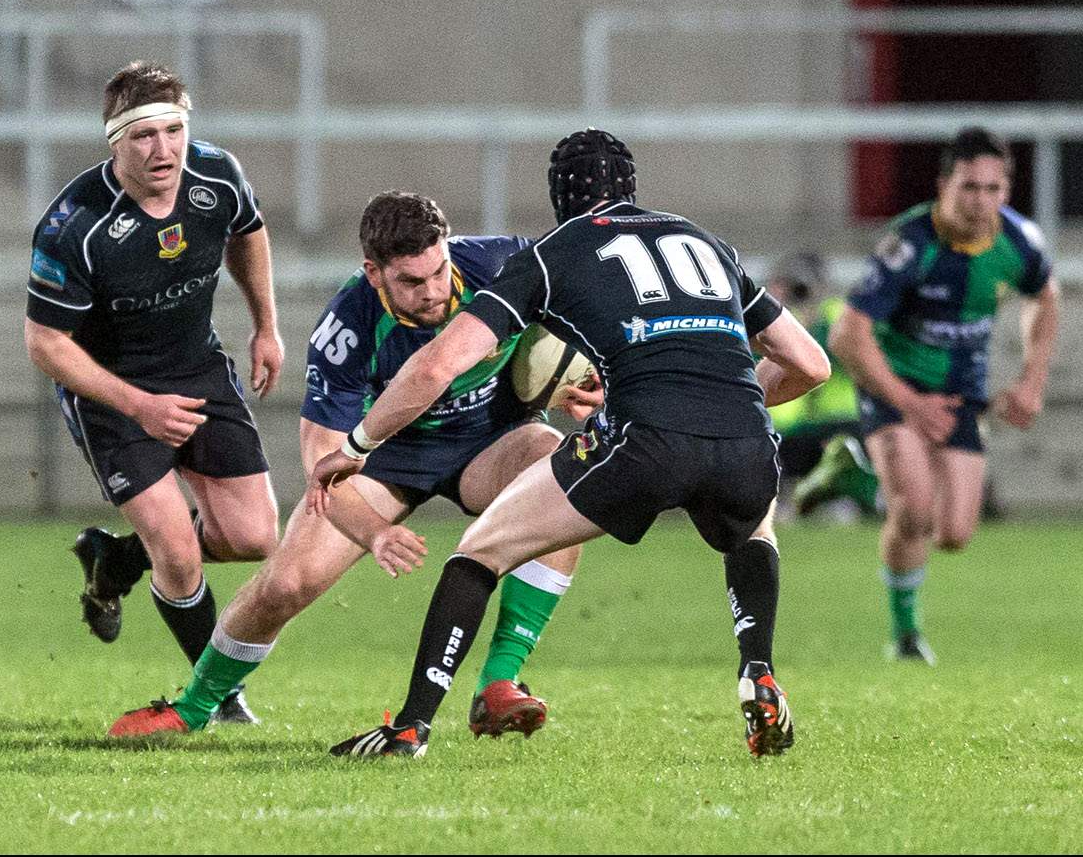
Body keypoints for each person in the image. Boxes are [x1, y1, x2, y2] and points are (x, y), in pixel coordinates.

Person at [310, 129, 830, 759]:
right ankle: (759, 672)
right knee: (750, 528)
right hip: (745, 438)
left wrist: (357, 446)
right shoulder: (706, 242)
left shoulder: (554, 253)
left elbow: (434, 367)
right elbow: (811, 365)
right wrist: (718, 406)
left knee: (479, 552)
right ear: (631, 186)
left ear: (559, 195)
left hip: (644, 442)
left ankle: (410, 728)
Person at [107, 191, 602, 739]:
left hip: (490, 442)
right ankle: (193, 708)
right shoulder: (345, 332)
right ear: (374, 273)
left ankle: (500, 682)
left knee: (562, 474)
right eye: (411, 282)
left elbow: (601, 308)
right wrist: (375, 534)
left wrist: (589, 380)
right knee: (286, 584)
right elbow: (324, 467)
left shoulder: (502, 262)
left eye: (439, 271)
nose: (434, 292)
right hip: (381, 463)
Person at [24, 61, 284, 723]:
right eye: (143, 135)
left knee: (254, 535)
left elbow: (249, 232)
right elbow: (47, 344)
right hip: (111, 395)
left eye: (173, 130)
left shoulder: (217, 175)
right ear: (116, 142)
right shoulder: (75, 225)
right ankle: (221, 699)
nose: (162, 149)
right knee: (178, 549)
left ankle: (115, 558)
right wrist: (139, 406)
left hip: (197, 370)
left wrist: (266, 325)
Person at [828, 126, 1060, 665]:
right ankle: (906, 636)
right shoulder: (910, 244)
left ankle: (856, 476)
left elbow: (1046, 298)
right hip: (895, 386)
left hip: (959, 392)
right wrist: (910, 404)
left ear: (1007, 190)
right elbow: (847, 335)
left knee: (954, 533)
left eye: (993, 188)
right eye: (968, 187)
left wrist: (1031, 381)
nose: (981, 201)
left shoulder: (1020, 241)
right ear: (943, 186)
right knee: (913, 511)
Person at [761, 252, 880, 519]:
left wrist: (810, 325)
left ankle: (844, 498)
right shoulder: (784, 318)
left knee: (842, 451)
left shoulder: (836, 312)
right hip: (803, 421)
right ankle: (793, 499)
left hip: (843, 416)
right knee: (783, 446)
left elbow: (837, 352)